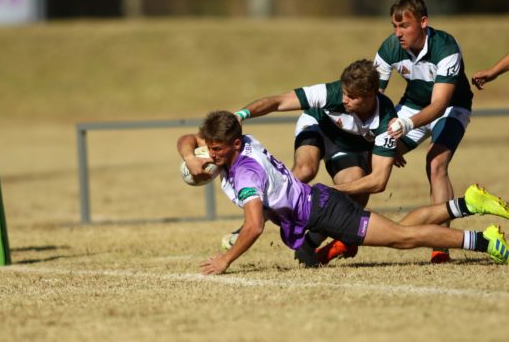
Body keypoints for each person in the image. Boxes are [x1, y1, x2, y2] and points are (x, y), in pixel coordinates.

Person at [176, 110, 509, 275]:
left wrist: (225, 260)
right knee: (400, 231)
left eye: (216, 150)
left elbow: (254, 226)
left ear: (235, 144)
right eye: (209, 148)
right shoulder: (241, 141)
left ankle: (485, 241)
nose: (211, 155)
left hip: (325, 213)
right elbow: (187, 140)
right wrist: (191, 158)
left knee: (403, 238)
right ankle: (467, 203)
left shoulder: (247, 173)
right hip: (320, 204)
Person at [231, 59, 399, 265]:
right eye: (344, 93)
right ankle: (255, 218)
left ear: (371, 95)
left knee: (356, 189)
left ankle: (309, 243)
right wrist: (241, 114)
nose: (344, 99)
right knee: (305, 170)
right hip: (317, 125)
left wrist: (330, 193)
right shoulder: (330, 93)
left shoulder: (387, 117)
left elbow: (379, 181)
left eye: (352, 97)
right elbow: (279, 101)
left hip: (347, 146)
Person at [374, 0, 474, 263]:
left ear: (423, 22)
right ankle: (347, 237)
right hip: (413, 105)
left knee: (435, 163)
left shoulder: (446, 47)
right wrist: (384, 142)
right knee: (372, 158)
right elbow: (374, 100)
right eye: (395, 26)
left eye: (404, 26)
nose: (398, 33)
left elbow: (439, 105)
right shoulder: (390, 48)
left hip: (451, 106)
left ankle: (441, 245)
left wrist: (405, 125)